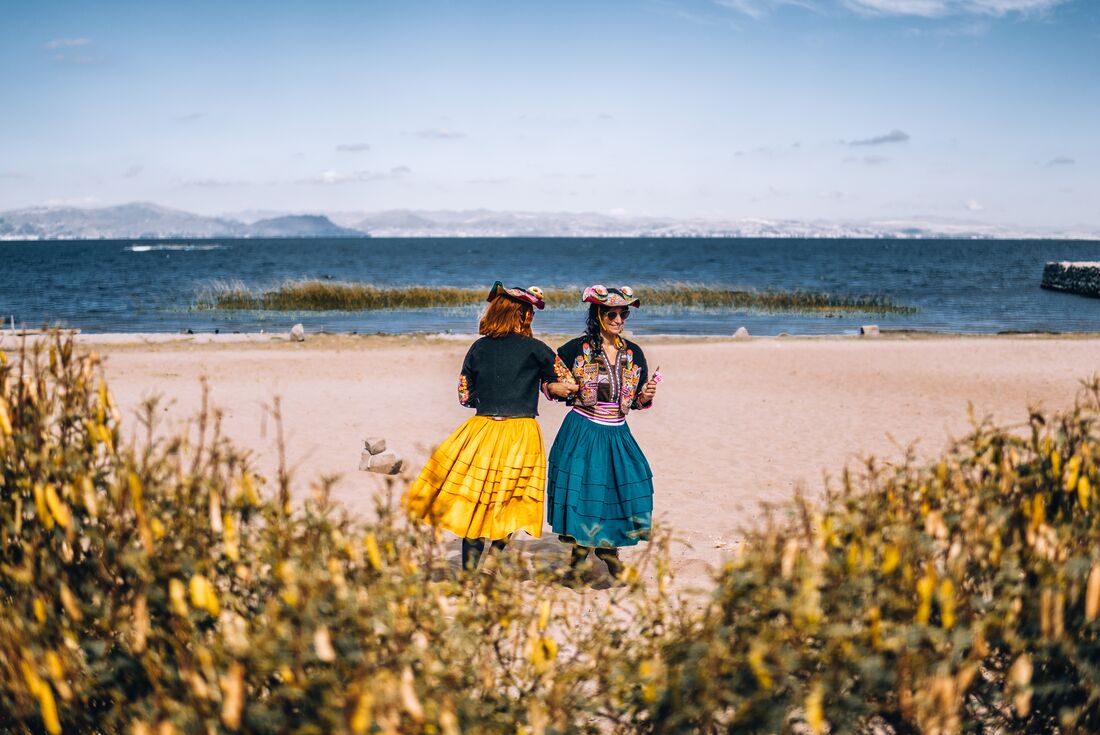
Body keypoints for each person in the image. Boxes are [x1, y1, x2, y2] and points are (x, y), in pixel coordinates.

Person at [402, 282, 577, 571]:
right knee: (510, 500)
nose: (532, 317)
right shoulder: (537, 349)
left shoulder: (478, 348)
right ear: (522, 315)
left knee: (474, 502)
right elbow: (568, 383)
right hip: (520, 433)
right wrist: (544, 386)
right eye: (530, 312)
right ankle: (495, 555)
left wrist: (490, 395)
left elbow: (464, 396)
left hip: (481, 431)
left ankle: (468, 572)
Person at [546, 285, 658, 581]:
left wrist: (646, 395)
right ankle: (583, 560)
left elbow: (636, 401)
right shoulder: (573, 350)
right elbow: (550, 381)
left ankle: (607, 550)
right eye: (612, 314)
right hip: (583, 429)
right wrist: (554, 387)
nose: (619, 320)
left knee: (622, 489)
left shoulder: (634, 353)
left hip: (617, 432)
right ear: (598, 314)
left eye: (624, 314)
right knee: (585, 492)